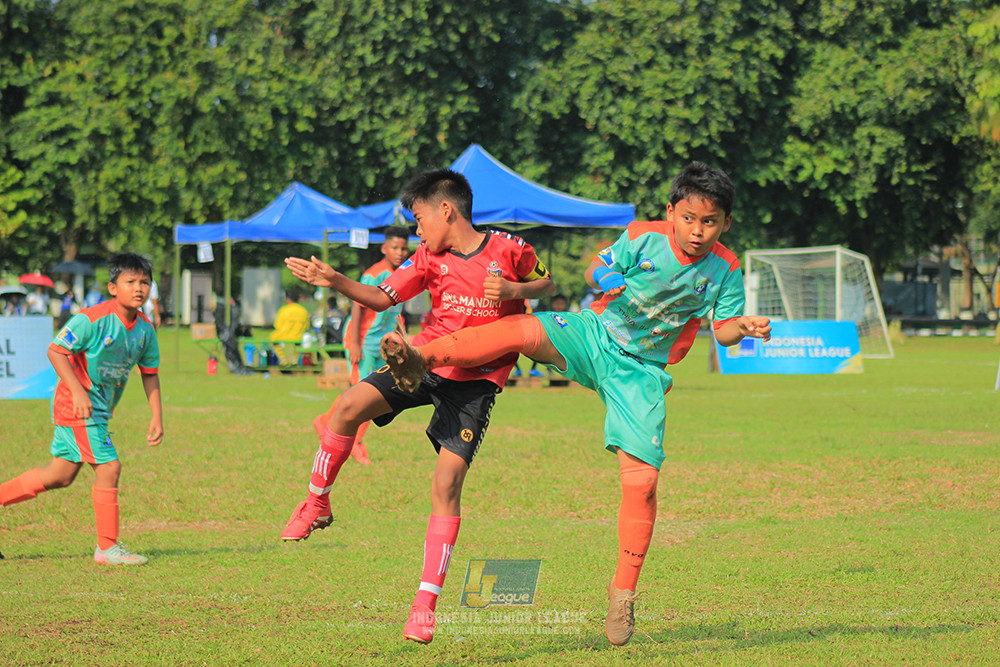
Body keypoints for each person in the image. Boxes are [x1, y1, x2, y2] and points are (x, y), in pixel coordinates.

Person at [381, 161, 772, 646]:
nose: (697, 231)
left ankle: (622, 593)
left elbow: (725, 331)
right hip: (593, 334)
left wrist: (746, 327)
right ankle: (422, 356)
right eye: (689, 218)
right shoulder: (644, 235)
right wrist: (607, 279)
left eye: (709, 222)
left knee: (644, 483)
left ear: (726, 224)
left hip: (642, 373)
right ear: (671, 212)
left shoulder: (726, 269)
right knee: (522, 330)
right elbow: (597, 266)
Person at [281, 168, 554, 644]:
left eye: (419, 216)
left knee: (446, 483)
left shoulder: (511, 248)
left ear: (446, 209)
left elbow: (545, 285)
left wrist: (515, 292)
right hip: (424, 360)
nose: (416, 229)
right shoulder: (429, 258)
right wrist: (334, 279)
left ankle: (424, 607)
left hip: (476, 383)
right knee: (347, 406)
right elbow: (382, 295)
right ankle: (316, 501)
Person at [0, 252, 163, 565]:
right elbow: (56, 351)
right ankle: (107, 547)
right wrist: (77, 392)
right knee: (109, 467)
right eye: (131, 282)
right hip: (77, 406)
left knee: (59, 476)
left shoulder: (145, 330)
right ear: (113, 287)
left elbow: (150, 373)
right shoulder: (90, 319)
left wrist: (157, 415)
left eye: (145, 282)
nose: (139, 288)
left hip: (98, 409)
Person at [313, 225, 412, 465]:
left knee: (369, 391)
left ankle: (324, 421)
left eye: (404, 248)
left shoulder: (405, 274)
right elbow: (358, 305)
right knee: (365, 393)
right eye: (394, 248)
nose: (399, 253)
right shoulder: (374, 273)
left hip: (384, 345)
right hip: (365, 341)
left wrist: (403, 338)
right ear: (384, 248)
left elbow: (397, 312)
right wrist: (355, 342)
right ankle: (356, 443)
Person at [270, 287, 311, 365]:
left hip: (283, 336)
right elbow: (307, 326)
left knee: (273, 338)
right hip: (299, 336)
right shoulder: (303, 310)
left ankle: (282, 359)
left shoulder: (283, 310)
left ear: (287, 299)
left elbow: (277, 325)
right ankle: (295, 359)